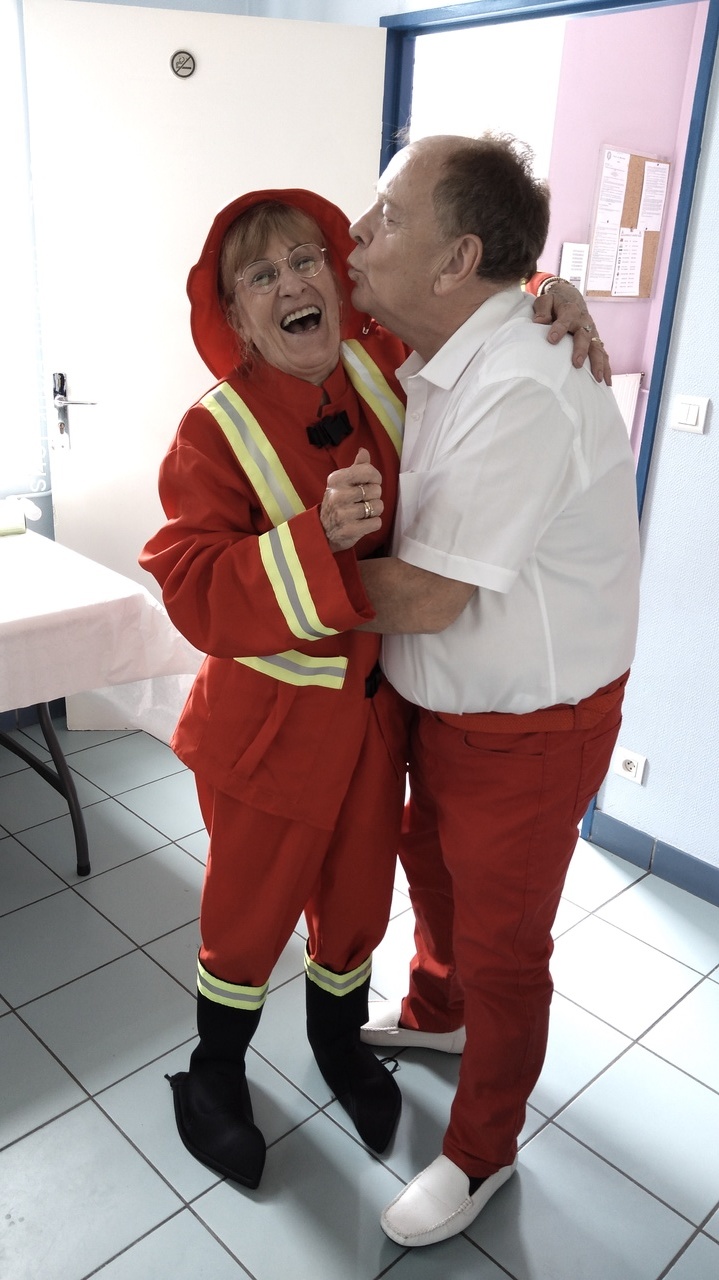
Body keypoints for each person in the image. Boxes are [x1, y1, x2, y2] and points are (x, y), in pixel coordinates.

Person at [139, 183, 605, 1192]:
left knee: (357, 897)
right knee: (247, 912)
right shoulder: (212, 429)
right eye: (260, 276)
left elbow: (474, 302)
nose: (291, 284)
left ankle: (337, 1040)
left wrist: (549, 291)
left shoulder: (382, 358)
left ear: (339, 281)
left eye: (306, 259)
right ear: (236, 317)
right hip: (265, 734)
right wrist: (315, 542)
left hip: (375, 721)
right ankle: (215, 1069)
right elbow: (187, 582)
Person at [328, 133, 640, 1246]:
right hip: (445, 700)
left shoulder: (524, 382)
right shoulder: (444, 341)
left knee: (505, 943)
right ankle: (437, 1013)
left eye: (385, 215)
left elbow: (423, 597)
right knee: (434, 872)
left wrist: (258, 587)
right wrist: (554, 281)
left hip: (527, 721)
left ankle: (480, 1151)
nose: (357, 233)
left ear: (458, 260)